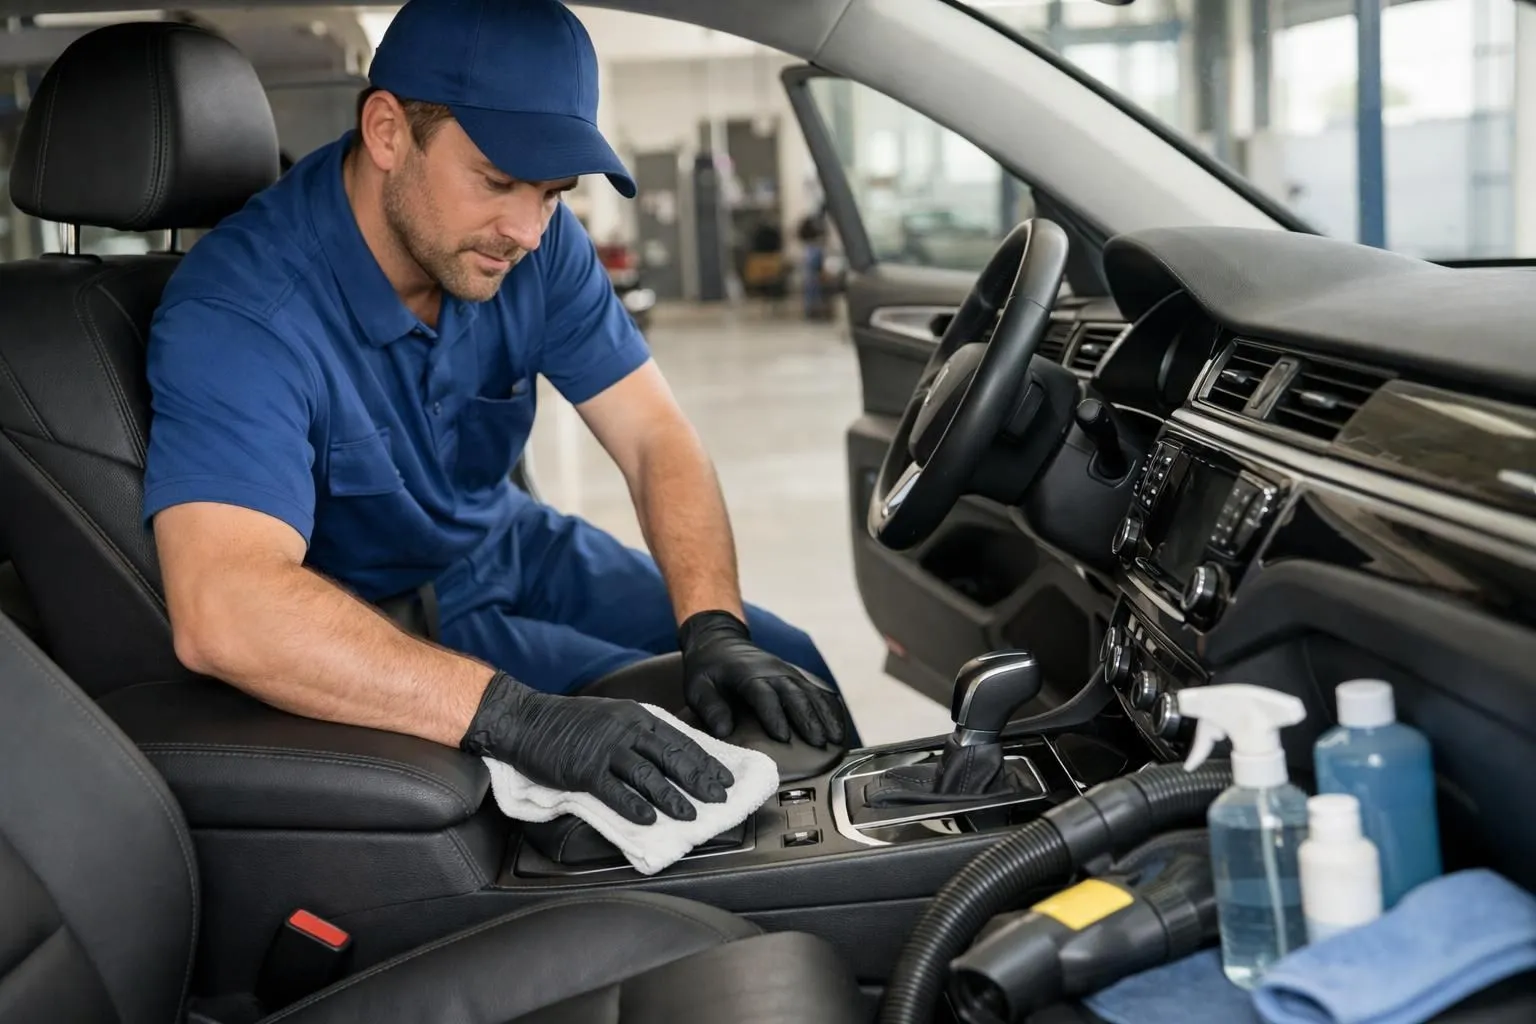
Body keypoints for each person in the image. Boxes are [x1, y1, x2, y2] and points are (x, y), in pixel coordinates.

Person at [141, 0, 852, 828]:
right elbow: (225, 606)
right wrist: (519, 717)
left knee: (783, 666)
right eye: (496, 180)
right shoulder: (244, 311)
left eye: (553, 191)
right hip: (391, 617)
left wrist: (714, 624)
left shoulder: (536, 245)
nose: (525, 228)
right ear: (387, 133)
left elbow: (655, 438)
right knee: (711, 741)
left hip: (514, 545)